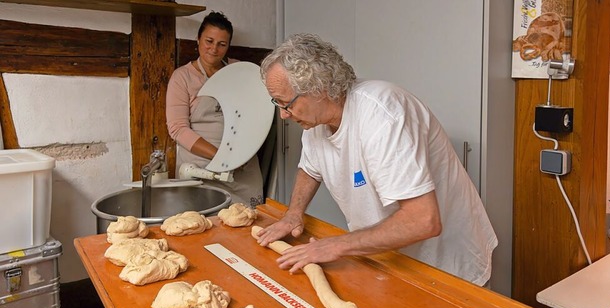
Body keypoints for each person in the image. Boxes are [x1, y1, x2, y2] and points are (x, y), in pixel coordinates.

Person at [256, 33, 498, 286]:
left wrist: (337, 245)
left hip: (446, 264)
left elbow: (423, 221)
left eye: (287, 104)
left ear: (321, 89)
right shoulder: (315, 122)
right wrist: (293, 213)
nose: (283, 115)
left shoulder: (382, 114)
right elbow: (310, 168)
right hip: (391, 260)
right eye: (278, 103)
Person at [166, 11, 263, 208]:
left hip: (244, 168)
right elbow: (178, 129)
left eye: (222, 44)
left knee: (248, 224)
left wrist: (241, 154)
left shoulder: (240, 71)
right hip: (202, 168)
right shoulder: (183, 77)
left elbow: (258, 111)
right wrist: (223, 157)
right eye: (209, 41)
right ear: (198, 39)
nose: (214, 49)